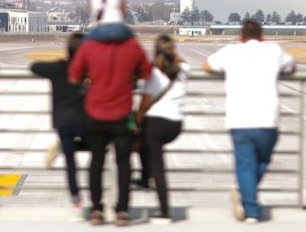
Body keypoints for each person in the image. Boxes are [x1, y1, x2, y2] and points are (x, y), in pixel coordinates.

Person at [204, 20, 295, 223]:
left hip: (240, 118)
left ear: (241, 36)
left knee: (246, 165)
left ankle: (249, 206)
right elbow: (291, 65)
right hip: (267, 119)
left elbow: (207, 65)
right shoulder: (273, 50)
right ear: (262, 36)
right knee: (262, 161)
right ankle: (249, 204)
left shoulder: (231, 51)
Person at [68, 21, 152, 226]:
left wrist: (91, 78)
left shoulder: (89, 45)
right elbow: (148, 74)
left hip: (95, 113)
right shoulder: (132, 45)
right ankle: (122, 210)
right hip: (122, 114)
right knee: (124, 164)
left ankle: (96, 210)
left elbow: (73, 76)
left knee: (96, 162)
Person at [30, 33, 89, 221]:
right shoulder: (90, 70)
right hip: (85, 121)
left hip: (63, 123)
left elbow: (34, 66)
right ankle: (97, 202)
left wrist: (58, 64)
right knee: (99, 148)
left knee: (70, 163)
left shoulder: (58, 68)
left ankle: (76, 202)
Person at [135, 35, 188, 224]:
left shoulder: (154, 73)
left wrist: (138, 119)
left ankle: (161, 205)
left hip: (156, 124)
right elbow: (183, 63)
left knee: (156, 163)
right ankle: (145, 177)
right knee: (149, 148)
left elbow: (146, 100)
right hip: (175, 124)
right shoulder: (183, 69)